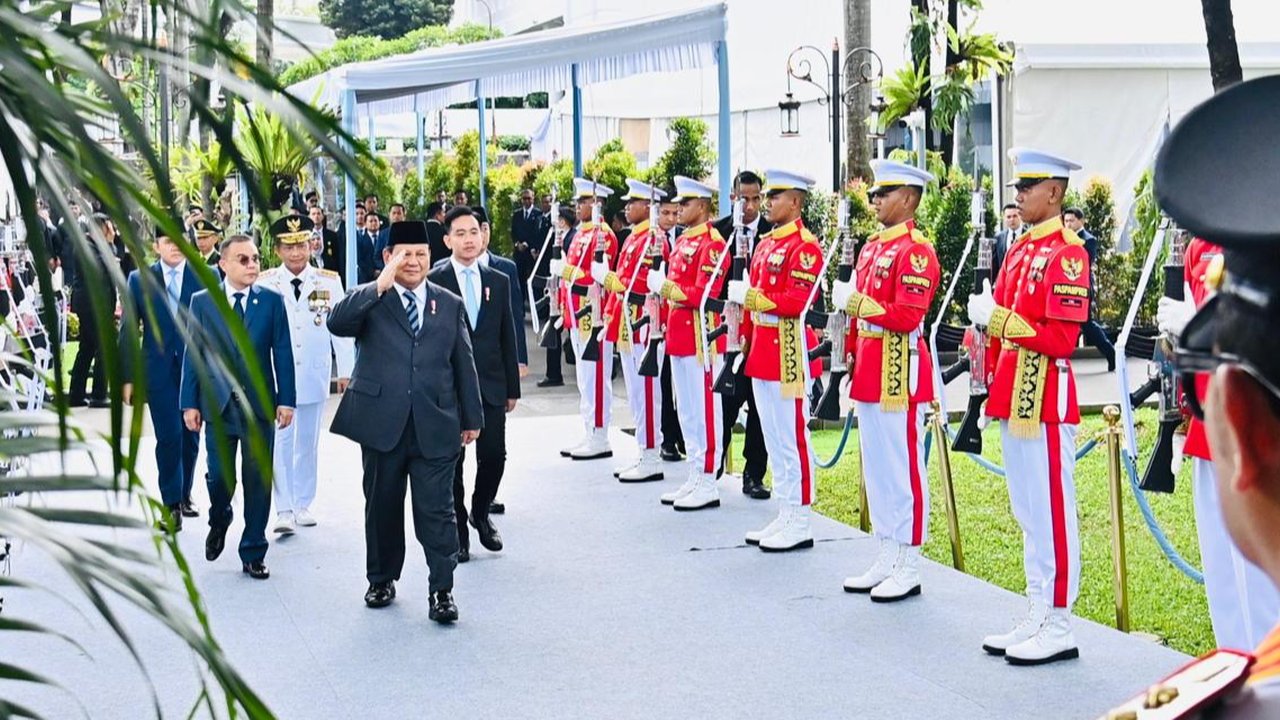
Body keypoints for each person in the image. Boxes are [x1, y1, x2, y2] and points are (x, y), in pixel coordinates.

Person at [1100, 73, 1280, 718]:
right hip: (1211, 423)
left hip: (1241, 423)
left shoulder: (1238, 252)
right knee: (1230, 590)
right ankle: (1245, 664)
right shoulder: (1207, 244)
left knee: (1259, 584)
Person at [966, 148, 1090, 665]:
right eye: (1018, 186)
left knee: (1052, 509)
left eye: (1029, 186)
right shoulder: (1018, 248)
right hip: (1013, 387)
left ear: (1055, 193)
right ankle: (1038, 605)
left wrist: (997, 321)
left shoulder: (1068, 252)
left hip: (1046, 395)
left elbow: (1062, 338)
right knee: (1027, 509)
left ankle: (1060, 618)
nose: (1017, 194)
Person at [327, 220, 482, 622]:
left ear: (431, 257)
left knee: (438, 511)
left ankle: (442, 590)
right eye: (404, 254)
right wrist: (379, 284)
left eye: (420, 254)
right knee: (382, 506)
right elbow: (336, 323)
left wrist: (472, 417)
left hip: (436, 423)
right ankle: (381, 578)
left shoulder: (448, 303)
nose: (413, 262)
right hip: (382, 425)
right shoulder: (372, 300)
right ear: (387, 257)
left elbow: (463, 364)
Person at [1156, 234, 1279, 651]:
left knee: (1264, 582)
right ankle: (1239, 671)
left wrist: (1197, 326)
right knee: (1223, 577)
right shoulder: (1196, 248)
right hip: (1210, 424)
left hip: (1257, 422)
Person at [833, 160, 940, 597]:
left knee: (902, 465)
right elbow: (860, 321)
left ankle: (909, 558)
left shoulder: (916, 250)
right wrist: (850, 360)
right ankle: (886, 549)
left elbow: (907, 314)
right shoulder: (873, 246)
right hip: (872, 366)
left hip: (901, 364)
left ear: (909, 199)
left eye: (885, 192)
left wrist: (857, 305)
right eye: (875, 192)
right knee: (876, 466)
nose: (875, 199)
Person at [180, 234, 296, 580]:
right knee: (220, 478)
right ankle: (220, 516)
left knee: (257, 480)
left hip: (259, 408)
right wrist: (189, 403)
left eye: (256, 259)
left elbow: (284, 353)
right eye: (243, 260)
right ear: (224, 264)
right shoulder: (202, 302)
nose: (252, 265)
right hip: (217, 407)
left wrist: (286, 399)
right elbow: (193, 355)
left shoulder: (272, 302)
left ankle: (253, 550)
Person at [725, 169, 825, 550]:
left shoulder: (806, 247)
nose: (768, 202)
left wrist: (750, 299)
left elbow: (796, 303)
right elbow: (753, 303)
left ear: (796, 202)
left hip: (789, 351)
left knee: (792, 436)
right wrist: (745, 340)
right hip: (763, 352)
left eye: (777, 196)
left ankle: (801, 517)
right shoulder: (765, 244)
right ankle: (786, 512)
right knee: (772, 435)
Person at [428, 206, 520, 563]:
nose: (469, 239)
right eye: (460, 234)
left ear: (483, 236)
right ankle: (459, 531)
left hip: (491, 386)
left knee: (494, 454)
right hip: (449, 388)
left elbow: (506, 335)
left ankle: (480, 513)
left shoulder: (499, 280)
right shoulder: (434, 281)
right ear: (448, 239)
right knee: (453, 461)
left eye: (474, 232)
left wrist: (512, 386)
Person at [257, 216, 354, 535]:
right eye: (289, 246)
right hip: (276, 374)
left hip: (314, 371)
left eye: (301, 244)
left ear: (311, 245)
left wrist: (347, 370)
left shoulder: (328, 281)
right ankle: (283, 508)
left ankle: (303, 503)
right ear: (278, 249)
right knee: (281, 440)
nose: (296, 252)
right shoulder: (266, 281)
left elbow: (340, 328)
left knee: (308, 441)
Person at [649, 176, 727, 511]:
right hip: (679, 336)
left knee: (706, 410)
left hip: (702, 339)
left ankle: (708, 477)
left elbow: (702, 295)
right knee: (688, 411)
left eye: (686, 203)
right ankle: (695, 473)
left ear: (704, 207)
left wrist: (665, 287)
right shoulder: (682, 241)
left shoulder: (712, 243)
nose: (679, 209)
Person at [121, 223, 203, 531]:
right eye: (168, 241)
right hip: (158, 372)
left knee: (191, 437)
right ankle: (171, 506)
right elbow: (128, 329)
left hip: (195, 371)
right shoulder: (139, 280)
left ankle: (184, 494)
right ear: (157, 246)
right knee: (168, 436)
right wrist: (128, 378)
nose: (175, 246)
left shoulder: (203, 277)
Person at [596, 178, 667, 483]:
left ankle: (651, 453)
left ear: (647, 206)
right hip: (629, 322)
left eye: (632, 203)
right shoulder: (633, 238)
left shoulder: (654, 239)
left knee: (647, 392)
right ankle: (644, 449)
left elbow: (640, 283)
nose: (626, 207)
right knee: (637, 394)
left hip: (645, 324)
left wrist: (608, 278)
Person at [713, 170, 774, 500]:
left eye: (756, 199)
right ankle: (714, 465)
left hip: (762, 336)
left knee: (759, 408)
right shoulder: (720, 232)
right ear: (733, 197)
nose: (750, 206)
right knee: (725, 401)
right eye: (743, 199)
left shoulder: (771, 233)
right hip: (731, 332)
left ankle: (754, 474)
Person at [550, 178, 619, 460]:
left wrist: (566, 272)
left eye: (583, 201)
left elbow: (598, 278)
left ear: (597, 203)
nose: (577, 206)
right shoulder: (580, 233)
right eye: (577, 201)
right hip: (578, 312)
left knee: (596, 376)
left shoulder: (604, 235)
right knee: (583, 376)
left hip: (595, 311)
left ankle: (600, 433)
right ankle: (589, 428)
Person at [68, 213, 119, 408]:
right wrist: (110, 245)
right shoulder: (86, 246)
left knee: (88, 347)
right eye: (109, 228)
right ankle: (99, 394)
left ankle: (76, 394)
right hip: (91, 305)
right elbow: (103, 267)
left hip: (97, 304)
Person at [1062, 207, 1117, 372]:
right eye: (1066, 221)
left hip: (1082, 288)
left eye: (1071, 220)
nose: (1068, 224)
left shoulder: (1088, 239)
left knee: (1086, 324)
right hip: (1064, 288)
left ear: (1081, 221)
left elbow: (1085, 262)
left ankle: (1110, 351)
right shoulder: (1063, 238)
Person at [656, 193, 686, 462]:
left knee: (686, 389)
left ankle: (683, 438)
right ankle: (668, 438)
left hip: (683, 323)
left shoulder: (685, 238)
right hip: (661, 322)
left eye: (675, 213)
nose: (671, 218)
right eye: (666, 213)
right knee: (665, 385)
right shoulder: (653, 241)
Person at [536, 206, 577, 389]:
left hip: (566, 293)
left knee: (557, 331)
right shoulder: (563, 237)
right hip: (559, 291)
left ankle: (554, 374)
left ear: (562, 221)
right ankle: (553, 373)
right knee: (554, 332)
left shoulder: (571, 238)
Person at [512, 189, 544, 299]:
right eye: (524, 199)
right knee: (519, 282)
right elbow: (513, 233)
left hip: (532, 254)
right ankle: (520, 309)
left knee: (533, 282)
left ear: (533, 199)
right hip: (519, 254)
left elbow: (538, 234)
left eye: (528, 198)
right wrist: (517, 244)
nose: (526, 201)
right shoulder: (517, 214)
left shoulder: (538, 214)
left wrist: (529, 245)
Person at [309, 206, 344, 275]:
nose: (316, 216)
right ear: (309, 216)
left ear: (322, 216)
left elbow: (338, 256)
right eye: (313, 214)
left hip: (330, 273)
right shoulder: (306, 235)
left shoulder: (332, 235)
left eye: (318, 213)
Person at [992, 202, 1025, 273]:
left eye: (1015, 216)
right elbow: (995, 264)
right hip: (1004, 280)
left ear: (1020, 216)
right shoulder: (998, 238)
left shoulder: (1028, 235)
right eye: (1009, 217)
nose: (1012, 219)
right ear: (1004, 218)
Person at [358, 210, 381, 284]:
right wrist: (373, 272)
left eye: (375, 221)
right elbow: (360, 260)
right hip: (366, 278)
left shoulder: (385, 237)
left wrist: (381, 270)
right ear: (365, 223)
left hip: (384, 276)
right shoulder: (360, 240)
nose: (374, 223)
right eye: (371, 221)